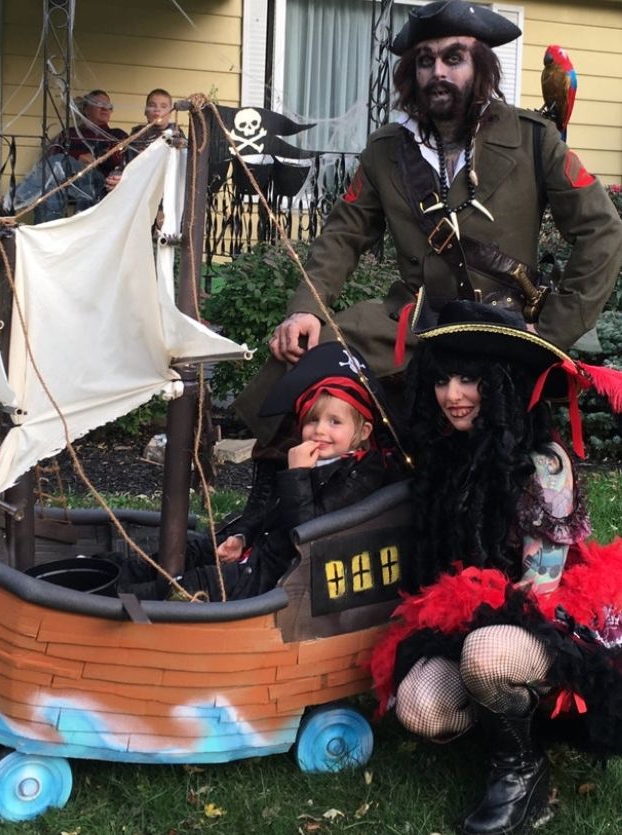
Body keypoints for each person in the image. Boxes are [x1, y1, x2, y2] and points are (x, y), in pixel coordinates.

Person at [232, 0, 622, 456]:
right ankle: (285, 493)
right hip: (414, 323)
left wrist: (551, 331)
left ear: (480, 66)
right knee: (305, 356)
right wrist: (306, 309)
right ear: (411, 73)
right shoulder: (385, 151)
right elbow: (344, 234)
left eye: (453, 58)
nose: (438, 71)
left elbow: (602, 230)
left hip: (502, 324)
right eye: (425, 60)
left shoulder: (535, 140)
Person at [368, 300, 622, 835]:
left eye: (469, 380)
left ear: (501, 382)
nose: (452, 396)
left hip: (542, 624)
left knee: (486, 655)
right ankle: (504, 720)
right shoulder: (446, 453)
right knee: (420, 710)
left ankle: (522, 766)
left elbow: (540, 595)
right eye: (442, 381)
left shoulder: (543, 464)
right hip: (466, 626)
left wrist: (476, 651)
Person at [118, 342, 400, 601]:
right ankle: (109, 577)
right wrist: (242, 536)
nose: (320, 430)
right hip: (255, 552)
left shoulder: (361, 473)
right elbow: (265, 511)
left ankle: (119, 604)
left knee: (188, 586)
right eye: (312, 420)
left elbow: (309, 532)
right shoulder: (306, 457)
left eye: (335, 422)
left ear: (362, 432)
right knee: (178, 555)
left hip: (278, 575)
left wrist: (297, 475)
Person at [0, 90, 127, 220]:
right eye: (99, 103)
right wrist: (78, 157)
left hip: (98, 184)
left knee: (59, 164)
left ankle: (11, 203)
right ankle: (48, 237)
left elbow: (122, 161)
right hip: (69, 184)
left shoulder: (116, 135)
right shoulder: (70, 133)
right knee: (49, 190)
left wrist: (99, 158)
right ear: (86, 109)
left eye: (108, 106)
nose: (105, 108)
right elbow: (50, 158)